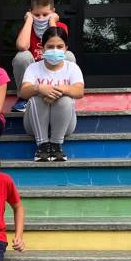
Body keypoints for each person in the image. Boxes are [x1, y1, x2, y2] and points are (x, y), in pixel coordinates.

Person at [19, 26, 85, 162]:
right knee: (36, 99)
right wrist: (40, 88)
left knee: (66, 100)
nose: (55, 50)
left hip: (65, 124)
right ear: (43, 48)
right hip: (34, 124)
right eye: (50, 46)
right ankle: (42, 146)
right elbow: (24, 92)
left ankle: (56, 146)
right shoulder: (33, 68)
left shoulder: (72, 68)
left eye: (60, 46)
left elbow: (79, 91)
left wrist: (57, 91)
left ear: (66, 48)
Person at [10, 0, 76, 113]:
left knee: (69, 56)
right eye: (36, 15)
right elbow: (22, 46)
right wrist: (29, 21)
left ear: (53, 12)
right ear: (30, 12)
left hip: (54, 75)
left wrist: (52, 22)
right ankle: (24, 98)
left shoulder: (60, 26)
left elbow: (58, 44)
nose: (40, 18)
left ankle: (64, 94)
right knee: (22, 57)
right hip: (34, 80)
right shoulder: (27, 27)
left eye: (45, 14)